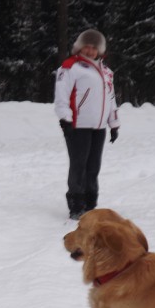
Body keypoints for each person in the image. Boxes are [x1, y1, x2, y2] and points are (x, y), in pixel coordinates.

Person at [55, 29, 120, 219]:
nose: (90, 51)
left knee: (93, 167)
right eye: (87, 47)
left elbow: (111, 98)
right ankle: (76, 204)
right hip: (77, 126)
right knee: (79, 166)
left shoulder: (106, 72)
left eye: (94, 47)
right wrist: (65, 119)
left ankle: (91, 203)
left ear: (100, 50)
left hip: (98, 127)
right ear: (79, 47)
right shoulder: (70, 67)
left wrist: (114, 123)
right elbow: (61, 96)